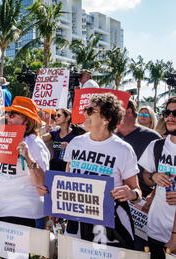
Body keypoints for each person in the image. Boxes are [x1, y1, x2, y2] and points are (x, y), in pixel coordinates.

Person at [58, 93, 141, 249]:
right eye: (85, 109)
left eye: (90, 110)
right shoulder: (76, 143)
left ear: (106, 118)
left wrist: (132, 194)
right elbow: (66, 180)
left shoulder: (123, 149)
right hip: (77, 220)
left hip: (109, 224)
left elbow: (137, 191)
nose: (84, 113)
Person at [0, 97, 50, 229]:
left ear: (26, 120)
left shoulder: (34, 143)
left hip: (23, 211)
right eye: (7, 115)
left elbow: (42, 184)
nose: (8, 118)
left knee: (16, 250)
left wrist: (28, 157)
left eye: (12, 115)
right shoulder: (2, 138)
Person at [139, 96, 176, 259]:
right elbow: (145, 176)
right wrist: (153, 176)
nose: (170, 117)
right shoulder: (157, 146)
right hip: (156, 228)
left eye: (175, 113)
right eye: (167, 112)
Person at [117, 100, 161, 198]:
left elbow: (163, 170)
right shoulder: (110, 135)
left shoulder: (153, 137)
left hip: (143, 198)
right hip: (113, 193)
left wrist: (153, 196)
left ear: (128, 111)